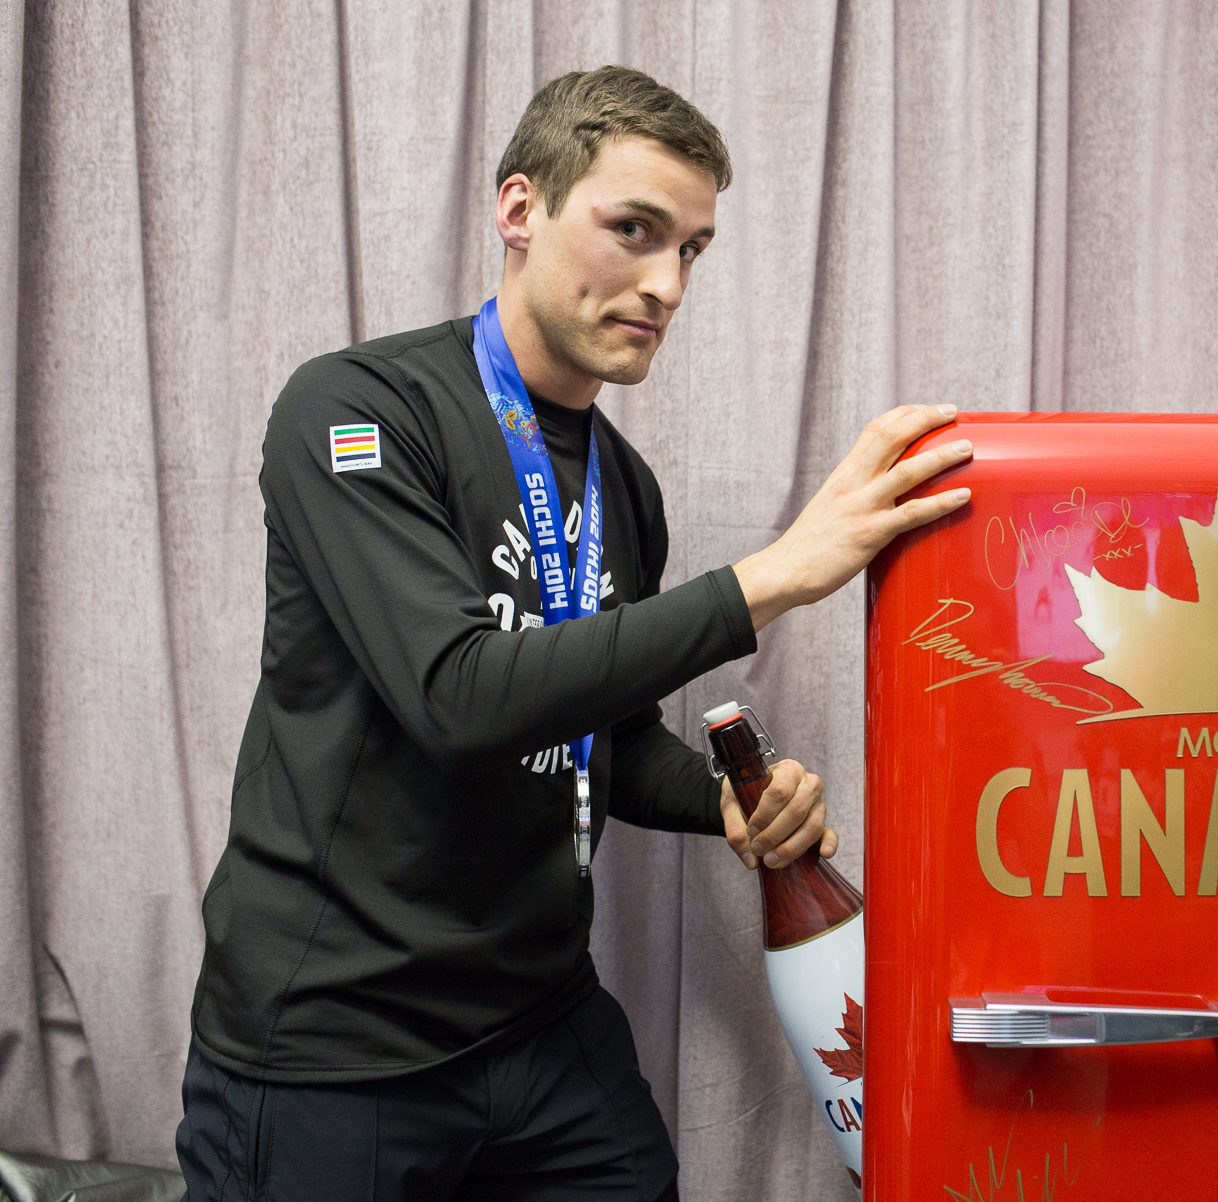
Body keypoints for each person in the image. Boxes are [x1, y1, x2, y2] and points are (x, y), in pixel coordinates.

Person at [174, 65, 972, 1200]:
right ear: (519, 210)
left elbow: (604, 733)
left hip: (541, 1024)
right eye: (633, 230)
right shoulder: (356, 412)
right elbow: (461, 696)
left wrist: (718, 798)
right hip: (334, 1047)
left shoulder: (622, 485)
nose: (664, 284)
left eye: (690, 249)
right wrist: (776, 576)